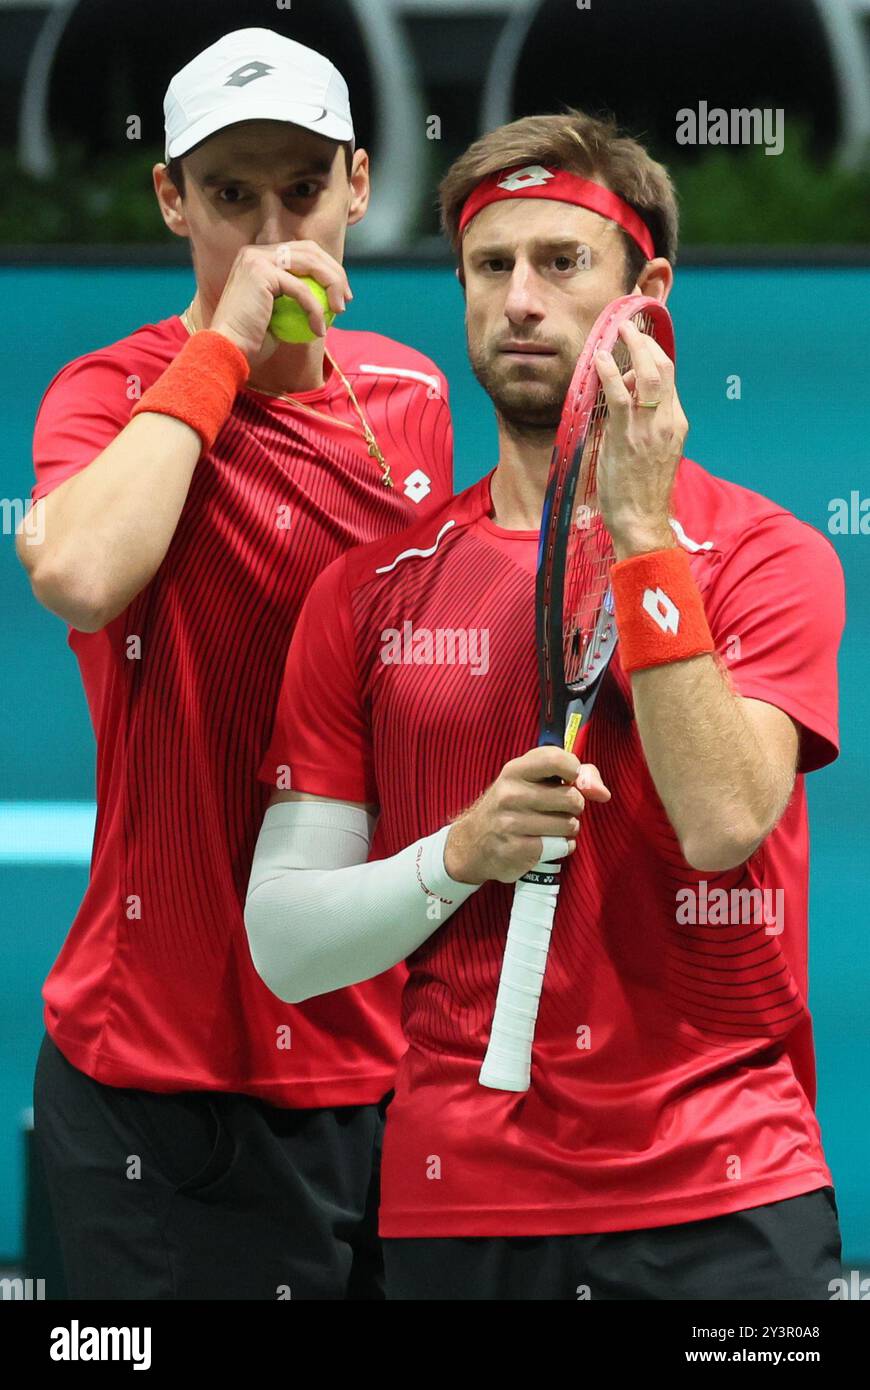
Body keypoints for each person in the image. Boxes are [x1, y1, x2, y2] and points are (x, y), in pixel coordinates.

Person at [245, 109, 845, 1301]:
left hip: (725, 1197)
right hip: (458, 1202)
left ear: (647, 292)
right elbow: (287, 943)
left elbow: (725, 818)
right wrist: (454, 856)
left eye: (562, 263)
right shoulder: (365, 593)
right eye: (490, 264)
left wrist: (637, 532)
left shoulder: (764, 555)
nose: (520, 299)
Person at [18, 28, 453, 1300]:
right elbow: (84, 575)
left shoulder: (414, 398)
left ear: (361, 188)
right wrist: (222, 348)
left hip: (386, 1075)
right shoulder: (111, 397)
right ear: (172, 200)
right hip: (167, 1091)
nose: (274, 234)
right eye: (230, 196)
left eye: (302, 192)